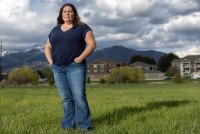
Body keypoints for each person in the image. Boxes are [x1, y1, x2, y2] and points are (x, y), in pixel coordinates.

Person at [44, 3, 96, 132]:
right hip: (58, 68)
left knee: (79, 97)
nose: (67, 13)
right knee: (66, 99)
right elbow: (47, 47)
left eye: (70, 11)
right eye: (65, 11)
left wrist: (79, 58)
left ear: (74, 14)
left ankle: (84, 126)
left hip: (75, 67)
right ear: (61, 14)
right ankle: (67, 125)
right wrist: (51, 61)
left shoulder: (82, 27)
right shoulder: (54, 30)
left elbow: (92, 44)